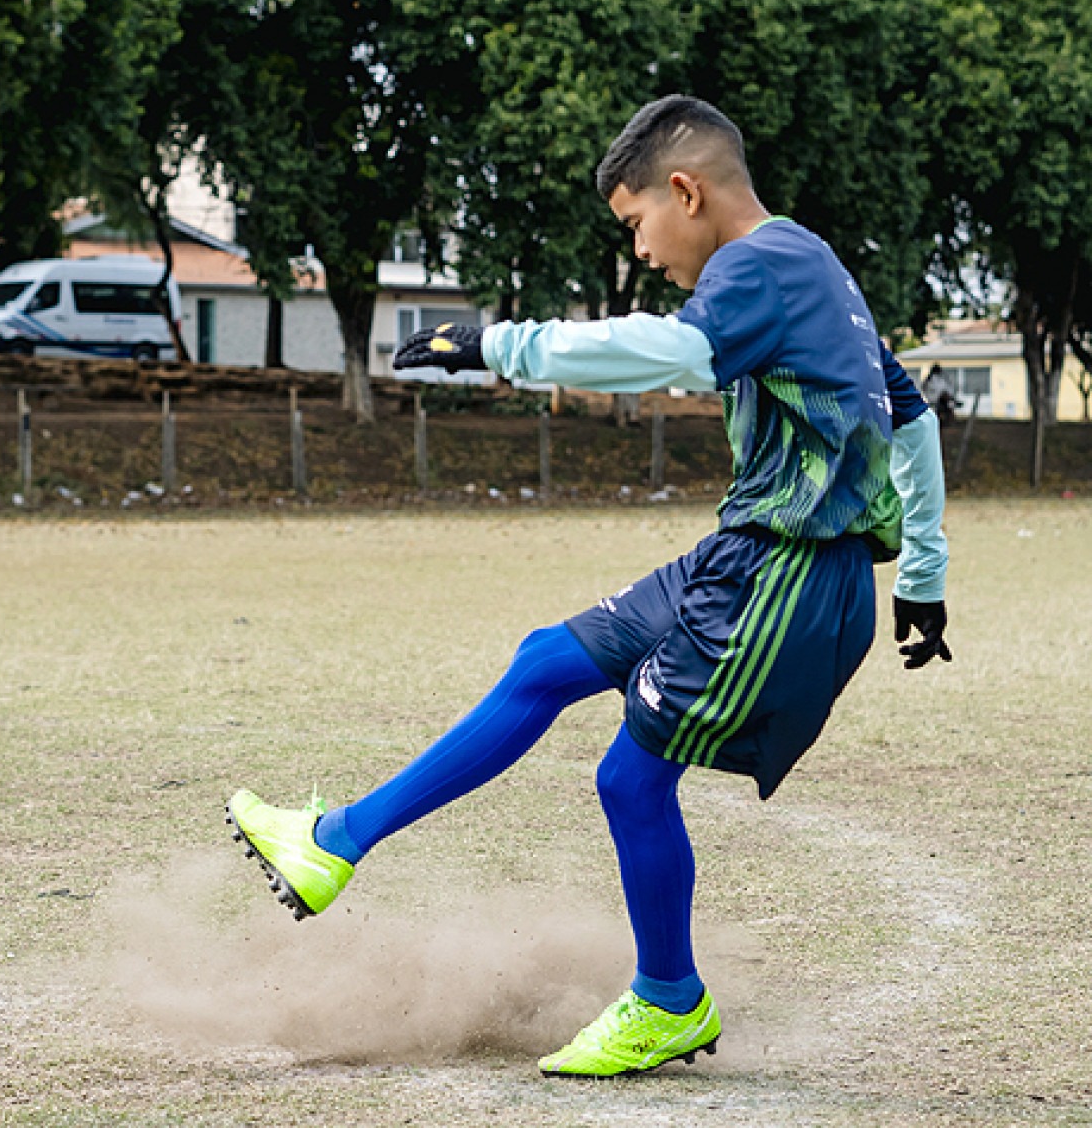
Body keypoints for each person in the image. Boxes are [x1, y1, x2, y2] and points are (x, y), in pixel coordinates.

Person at [225, 96, 951, 1079]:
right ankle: (333, 844)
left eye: (635, 222)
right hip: (743, 554)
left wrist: (499, 346)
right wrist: (921, 576)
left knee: (628, 777)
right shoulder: (809, 268)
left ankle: (667, 1000)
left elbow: (674, 353)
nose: (643, 249)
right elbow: (909, 418)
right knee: (543, 660)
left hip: (787, 574)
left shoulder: (759, 265)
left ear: (684, 191)